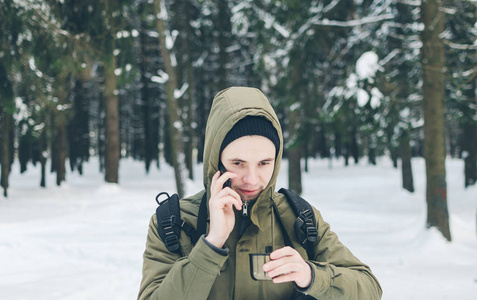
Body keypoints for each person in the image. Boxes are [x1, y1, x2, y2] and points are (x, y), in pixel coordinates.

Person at [138, 87, 382, 300]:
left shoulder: (299, 218)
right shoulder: (172, 222)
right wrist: (211, 245)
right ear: (216, 160)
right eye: (238, 163)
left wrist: (311, 276)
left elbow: (369, 289)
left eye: (264, 163)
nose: (252, 179)